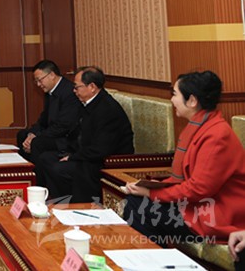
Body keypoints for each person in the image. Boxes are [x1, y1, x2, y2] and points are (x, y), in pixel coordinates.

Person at [122, 71, 245, 248]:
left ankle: (154, 260)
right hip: (196, 206)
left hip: (214, 213)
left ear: (192, 100)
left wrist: (152, 194)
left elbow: (199, 188)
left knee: (139, 208)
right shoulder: (200, 126)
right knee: (137, 202)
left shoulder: (217, 135)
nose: (172, 100)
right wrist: (153, 186)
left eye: (174, 94)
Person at [38, 66, 134, 202]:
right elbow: (77, 134)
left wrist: (72, 157)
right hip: (87, 154)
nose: (74, 90)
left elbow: (101, 149)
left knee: (59, 168)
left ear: (92, 87)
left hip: (106, 161)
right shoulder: (88, 103)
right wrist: (69, 153)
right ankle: (60, 201)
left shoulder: (107, 110)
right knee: (46, 158)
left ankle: (71, 204)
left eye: (77, 87)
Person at [16, 59, 82, 164]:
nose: (38, 84)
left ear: (51, 75)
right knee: (23, 135)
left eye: (40, 80)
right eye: (36, 81)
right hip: (53, 131)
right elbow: (43, 119)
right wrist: (32, 134)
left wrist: (37, 136)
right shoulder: (50, 91)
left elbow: (63, 126)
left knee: (37, 142)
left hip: (65, 138)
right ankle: (25, 169)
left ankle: (37, 173)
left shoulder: (69, 92)